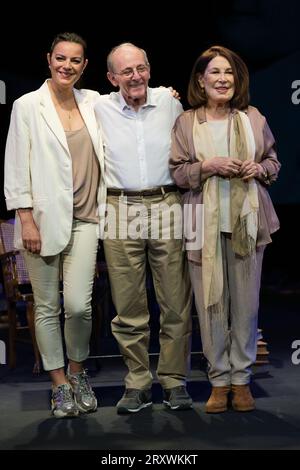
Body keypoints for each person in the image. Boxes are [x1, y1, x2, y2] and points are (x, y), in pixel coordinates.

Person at [169, 45, 280, 413]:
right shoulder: (187, 122)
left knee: (246, 308)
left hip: (248, 222)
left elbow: (273, 163)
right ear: (201, 80)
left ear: (237, 79)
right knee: (211, 305)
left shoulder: (253, 117)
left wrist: (259, 170)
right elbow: (178, 173)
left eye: (228, 72)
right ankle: (219, 381)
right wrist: (208, 166)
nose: (222, 79)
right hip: (203, 225)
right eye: (214, 72)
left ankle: (241, 380)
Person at [4, 32, 106, 418]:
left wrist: (168, 96)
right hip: (41, 222)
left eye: (75, 61)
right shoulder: (27, 105)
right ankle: (60, 384)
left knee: (79, 306)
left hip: (86, 219)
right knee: (46, 306)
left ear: (84, 66)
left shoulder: (94, 102)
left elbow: (134, 98)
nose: (67, 66)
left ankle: (78, 373)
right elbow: (15, 165)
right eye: (60, 58)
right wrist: (25, 220)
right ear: (49, 59)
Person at [94, 43, 193, 414]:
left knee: (175, 301)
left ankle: (173, 381)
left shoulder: (170, 102)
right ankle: (137, 381)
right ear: (111, 78)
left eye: (140, 68)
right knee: (129, 305)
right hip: (119, 207)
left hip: (166, 203)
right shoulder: (98, 107)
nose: (135, 76)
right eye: (126, 71)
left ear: (149, 69)